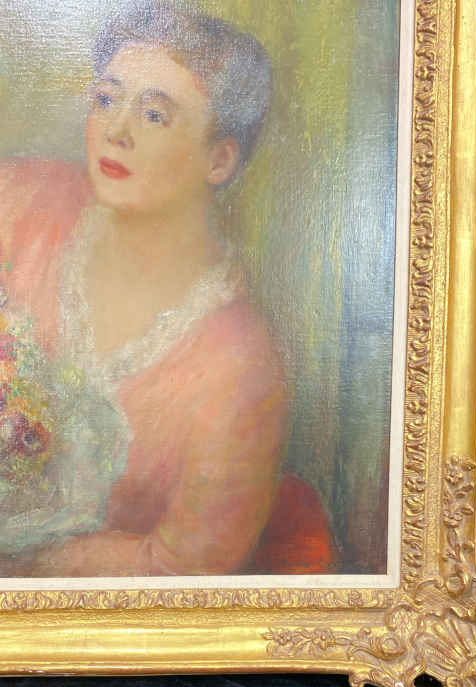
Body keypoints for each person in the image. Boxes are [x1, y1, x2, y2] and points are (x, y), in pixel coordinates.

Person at [0, 1, 337, 577]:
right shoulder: (18, 200)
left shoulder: (239, 368)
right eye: (106, 100)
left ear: (219, 159)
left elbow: (182, 571)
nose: (116, 131)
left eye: (154, 115)